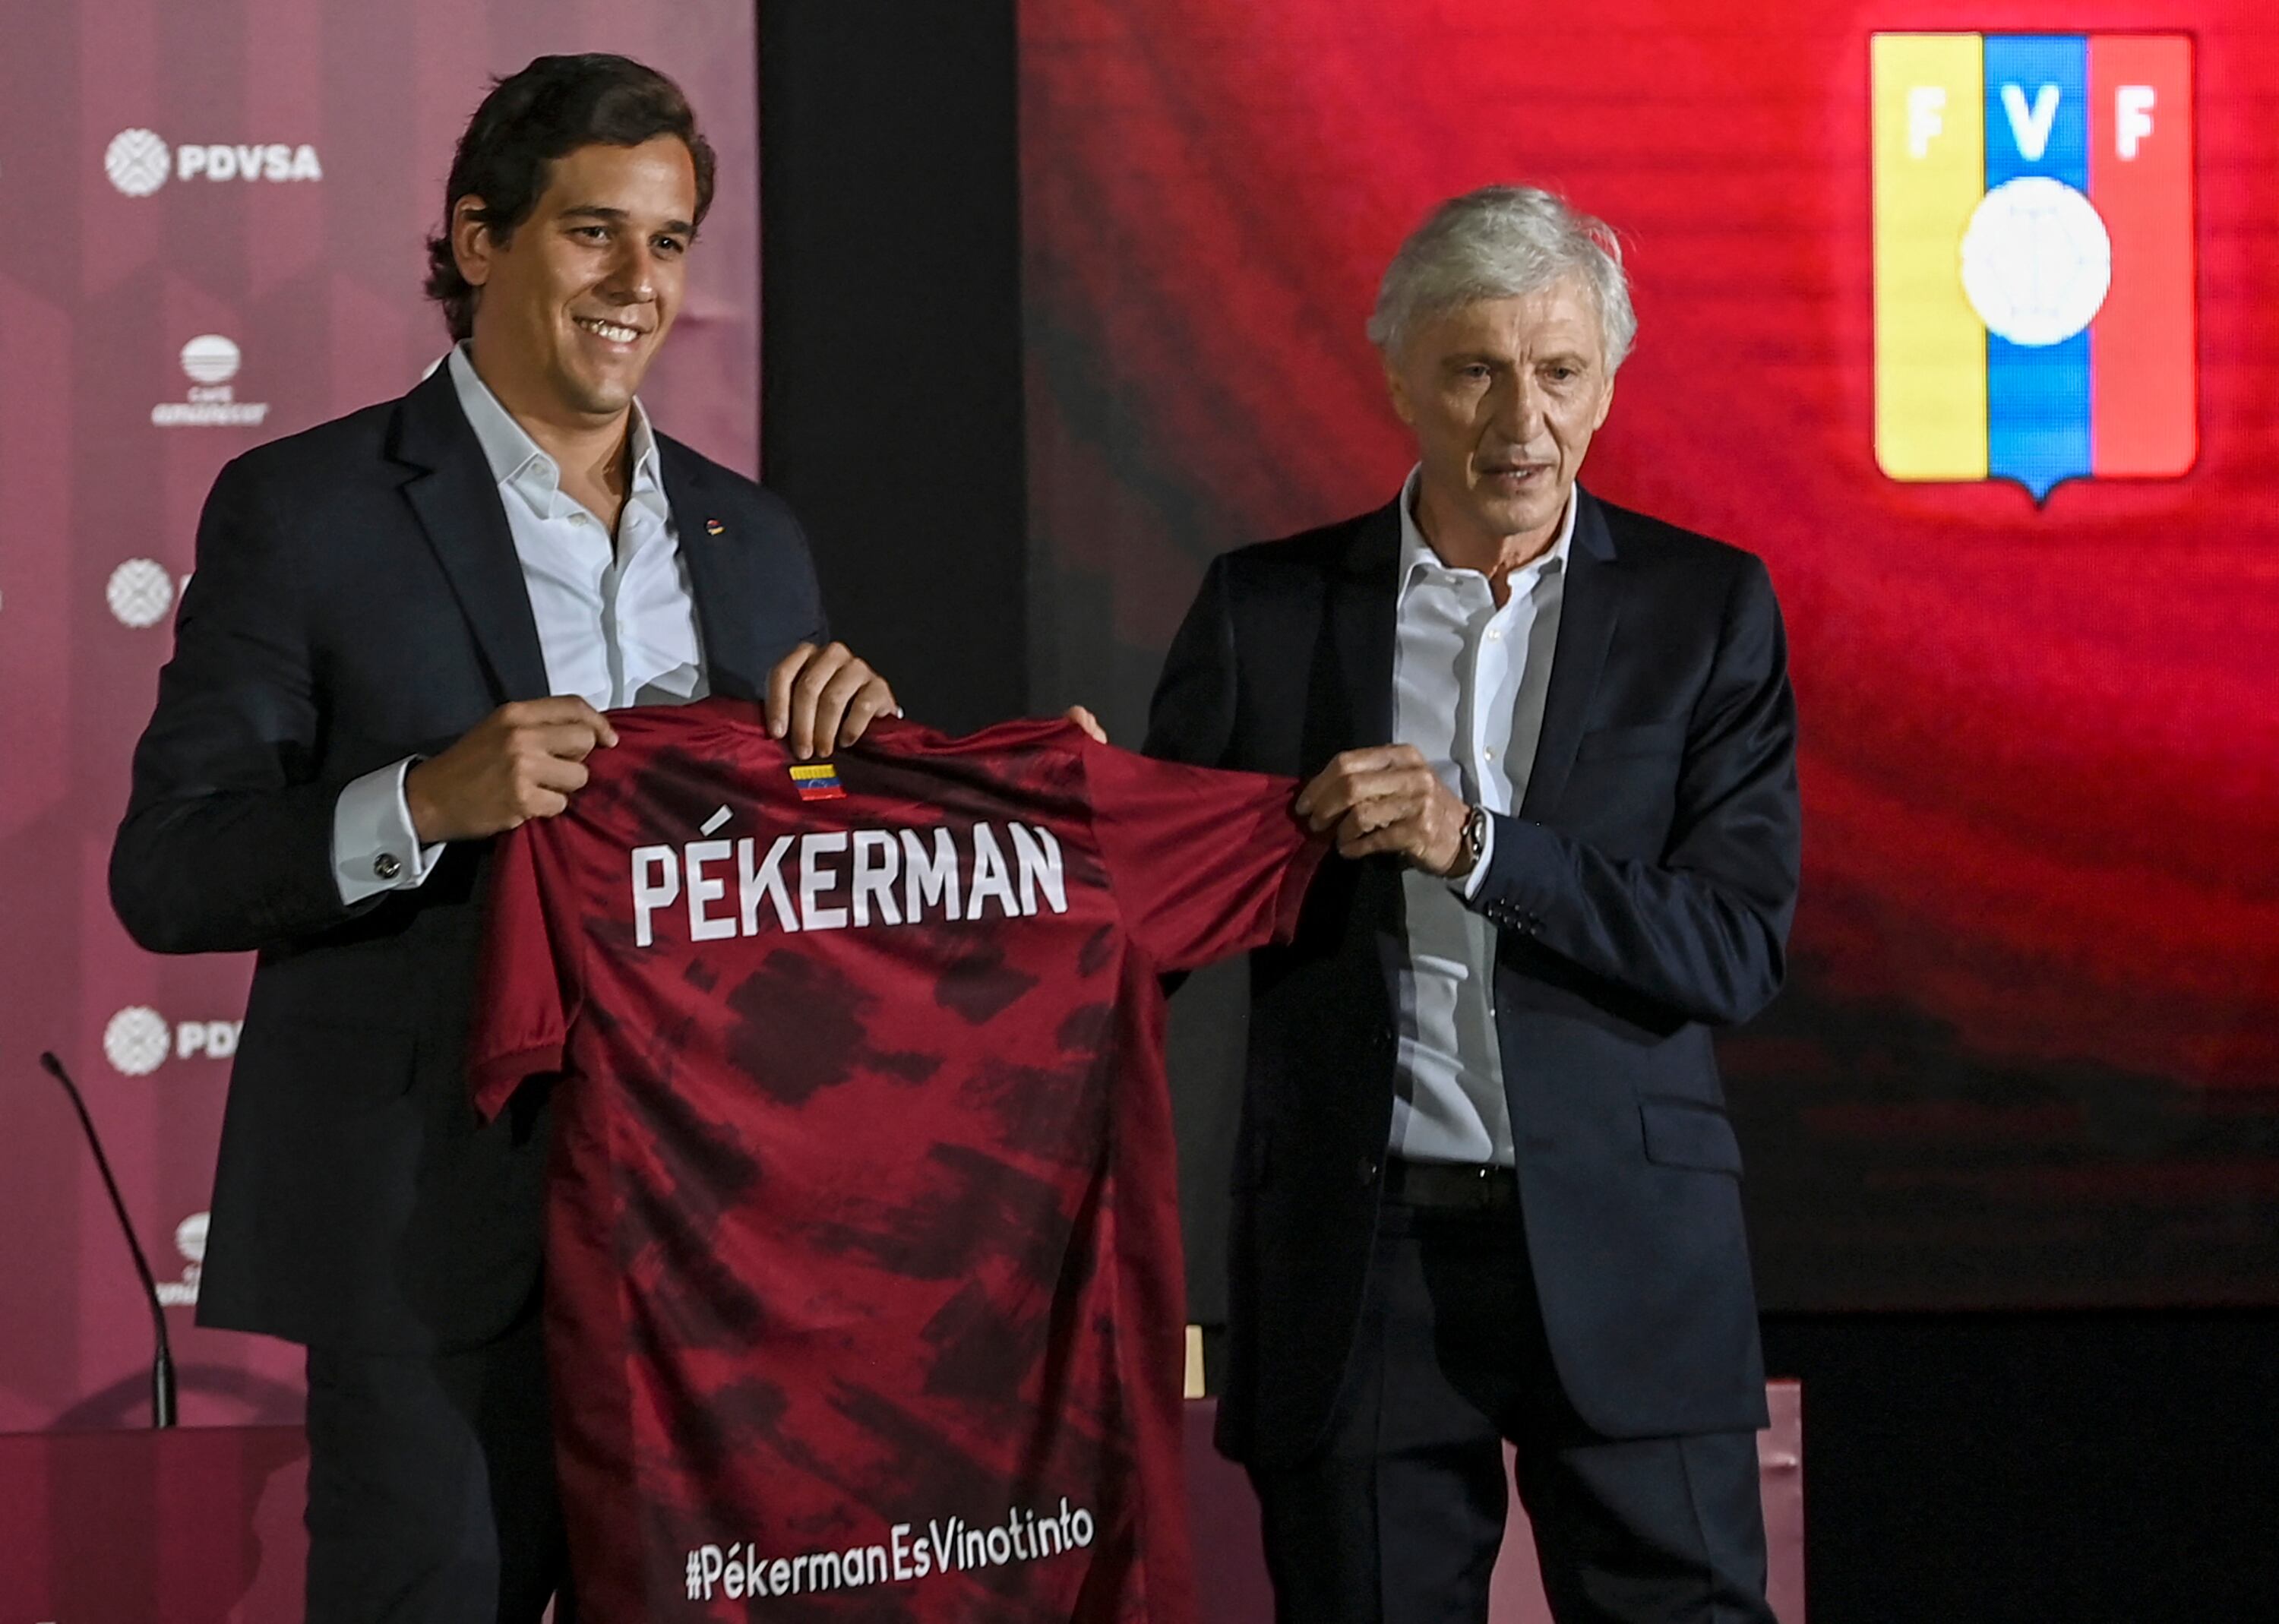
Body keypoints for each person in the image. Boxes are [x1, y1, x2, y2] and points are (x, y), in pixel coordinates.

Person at [109, 54, 896, 1624]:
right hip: (427, 1245)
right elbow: (172, 867)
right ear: (479, 240)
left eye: (669, 243)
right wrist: (422, 802)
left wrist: (861, 771)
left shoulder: (757, 539)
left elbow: (800, 889)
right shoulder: (309, 507)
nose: (639, 284)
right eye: (595, 232)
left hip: (712, 1244)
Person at [1145, 185, 1801, 1623]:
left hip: (1630, 1253)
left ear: (1611, 381)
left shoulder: (1709, 611)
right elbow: (1156, 917)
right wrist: (1062, 812)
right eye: (1475, 368)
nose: (1522, 418)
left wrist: (1477, 846)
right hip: (1359, 1258)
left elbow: (1734, 945)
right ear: (1398, 377)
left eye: (1560, 372)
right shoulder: (1267, 607)